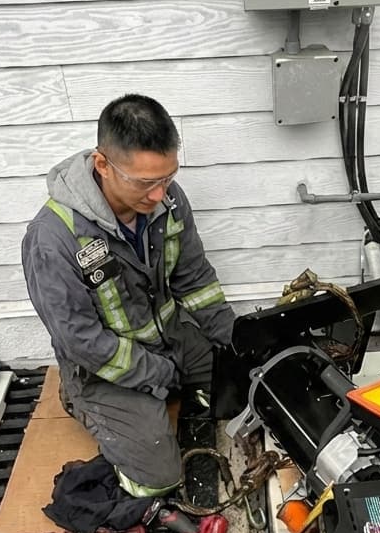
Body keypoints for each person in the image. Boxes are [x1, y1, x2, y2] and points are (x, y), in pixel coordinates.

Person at [22, 94, 235, 497]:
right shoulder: (53, 239)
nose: (159, 195)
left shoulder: (168, 201)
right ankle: (80, 401)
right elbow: (81, 341)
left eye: (167, 177)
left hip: (171, 339)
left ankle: (176, 386)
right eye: (145, 182)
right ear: (103, 165)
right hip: (104, 368)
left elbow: (195, 280)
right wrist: (157, 375)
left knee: (242, 384)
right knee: (159, 479)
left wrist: (236, 340)